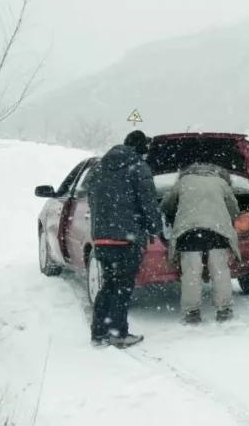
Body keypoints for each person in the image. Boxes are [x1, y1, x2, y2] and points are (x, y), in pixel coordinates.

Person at [85, 130, 163, 348]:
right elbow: (148, 202)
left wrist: (103, 225)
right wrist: (155, 228)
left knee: (109, 285)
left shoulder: (98, 168)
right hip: (127, 239)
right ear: (141, 148)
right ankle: (119, 334)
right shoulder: (138, 167)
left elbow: (91, 197)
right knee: (122, 287)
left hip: (102, 239)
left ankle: (98, 333)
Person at [161, 163, 242, 324]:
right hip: (217, 232)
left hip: (189, 232)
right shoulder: (221, 183)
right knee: (220, 271)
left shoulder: (183, 182)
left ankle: (192, 313)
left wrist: (176, 212)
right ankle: (224, 310)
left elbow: (166, 205)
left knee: (191, 273)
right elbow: (234, 209)